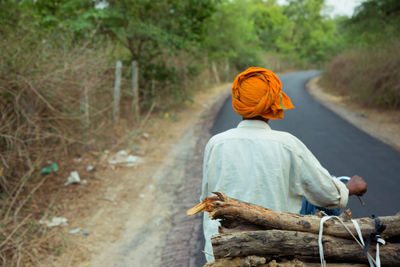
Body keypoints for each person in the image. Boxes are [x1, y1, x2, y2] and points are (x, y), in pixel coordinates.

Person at [200, 67, 367, 262]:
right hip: (274, 254)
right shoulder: (288, 144)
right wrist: (349, 188)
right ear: (274, 103)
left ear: (239, 103)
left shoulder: (216, 143)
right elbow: (329, 196)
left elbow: (206, 200)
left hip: (220, 254)